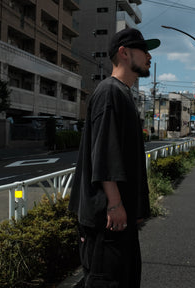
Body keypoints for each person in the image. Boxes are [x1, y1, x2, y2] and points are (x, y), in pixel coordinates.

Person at [69, 28, 161, 288]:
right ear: (124, 53)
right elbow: (105, 153)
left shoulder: (122, 93)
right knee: (106, 282)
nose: (149, 56)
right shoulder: (110, 92)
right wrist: (114, 204)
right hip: (107, 221)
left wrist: (136, 209)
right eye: (144, 50)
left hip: (118, 219)